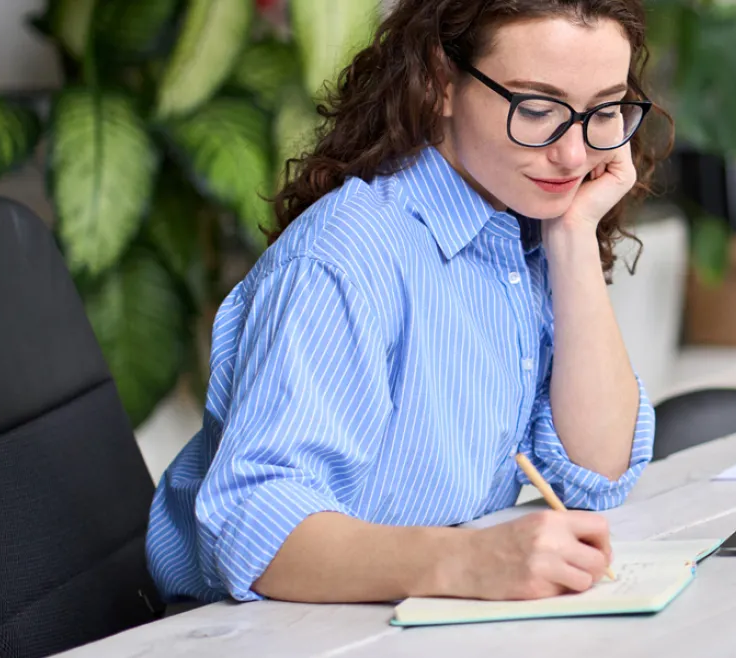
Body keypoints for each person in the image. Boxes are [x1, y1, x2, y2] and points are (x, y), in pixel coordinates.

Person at [145, 0, 670, 606]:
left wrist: (574, 239)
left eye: (603, 110)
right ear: (441, 83)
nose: (575, 155)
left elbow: (597, 475)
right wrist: (466, 562)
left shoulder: (519, 227)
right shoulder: (346, 258)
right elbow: (253, 526)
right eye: (537, 108)